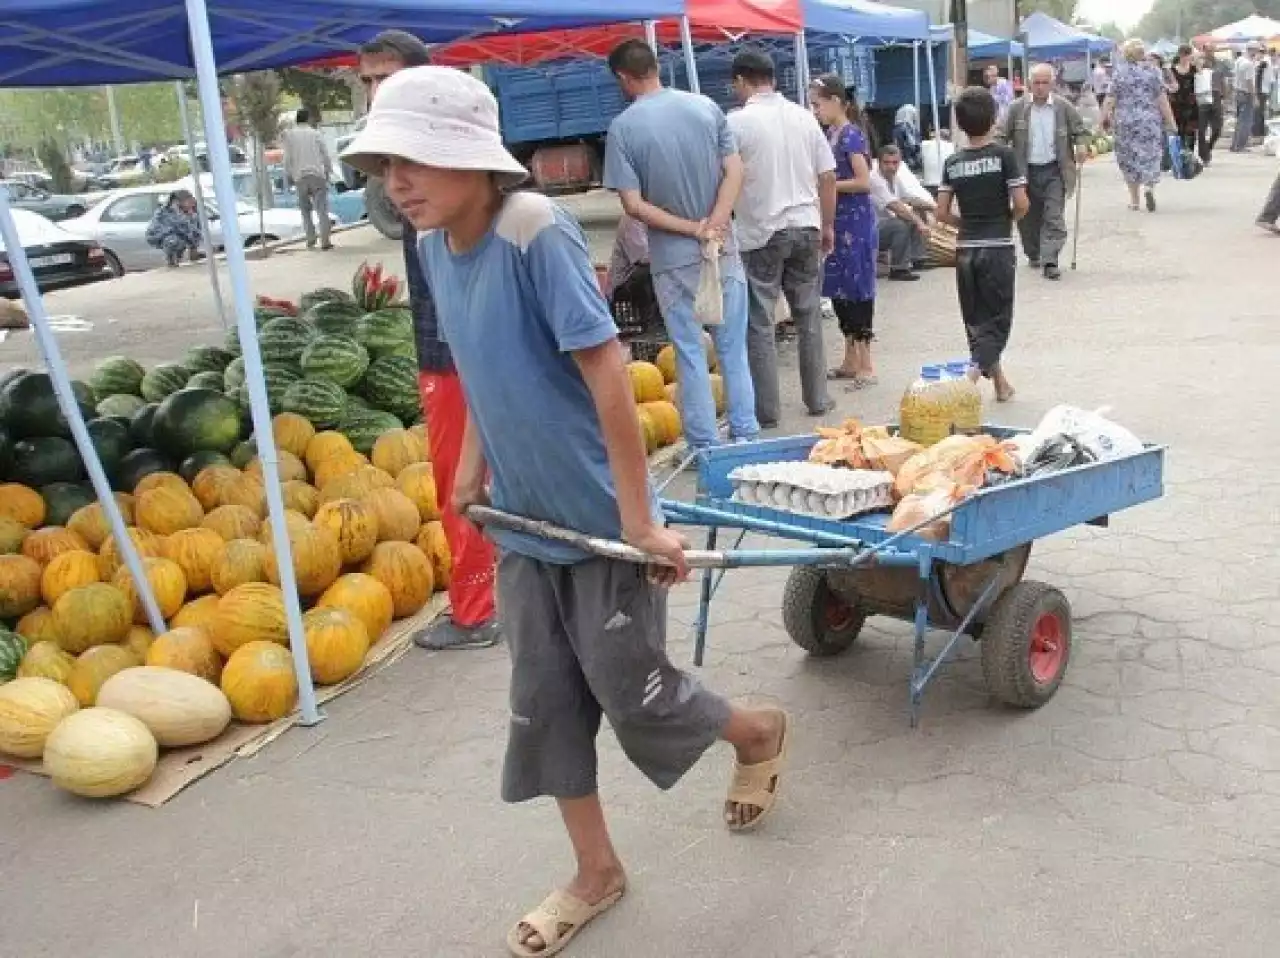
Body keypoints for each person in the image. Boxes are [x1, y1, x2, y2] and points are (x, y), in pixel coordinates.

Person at [341, 64, 790, 958]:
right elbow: (476, 366)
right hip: (523, 522)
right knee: (543, 701)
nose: (399, 180)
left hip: (595, 516)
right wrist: (469, 474)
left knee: (636, 692)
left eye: (419, 160)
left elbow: (609, 371)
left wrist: (638, 519)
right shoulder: (433, 249)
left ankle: (757, 729)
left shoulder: (532, 232)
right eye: (388, 162)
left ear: (477, 159)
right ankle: (596, 871)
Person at [356, 30, 499, 651]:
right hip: (455, 347)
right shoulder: (417, 169)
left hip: (455, 352)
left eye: (383, 78)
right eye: (364, 81)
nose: (371, 92)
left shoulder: (437, 171)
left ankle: (476, 609)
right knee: (478, 481)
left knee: (459, 484)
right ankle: (505, 594)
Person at [603, 39, 758, 448]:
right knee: (732, 349)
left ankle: (705, 445)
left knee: (689, 355)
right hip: (723, 249)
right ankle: (745, 433)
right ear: (655, 66)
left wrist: (692, 229)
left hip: (673, 261)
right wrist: (717, 220)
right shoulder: (706, 107)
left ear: (623, 76)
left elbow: (633, 205)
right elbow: (735, 169)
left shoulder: (623, 128)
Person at [726, 48, 837, 427]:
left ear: (742, 80)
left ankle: (767, 412)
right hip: (806, 225)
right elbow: (827, 176)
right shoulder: (805, 118)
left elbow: (725, 178)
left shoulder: (736, 124)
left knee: (760, 323)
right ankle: (818, 399)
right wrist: (828, 225)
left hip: (761, 233)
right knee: (808, 316)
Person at [935, 86, 1028, 404]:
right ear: (993, 118)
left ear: (960, 124)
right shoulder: (1004, 156)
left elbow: (942, 213)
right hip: (997, 248)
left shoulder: (952, 162)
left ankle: (1000, 384)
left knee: (977, 322)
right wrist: (1008, 219)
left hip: (966, 252)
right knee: (997, 323)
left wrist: (967, 225)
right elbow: (1022, 202)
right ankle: (967, 384)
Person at [809, 75, 879, 388]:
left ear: (836, 101)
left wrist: (829, 185)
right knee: (839, 291)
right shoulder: (830, 135)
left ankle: (866, 362)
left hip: (856, 222)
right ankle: (850, 358)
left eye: (818, 103)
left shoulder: (851, 135)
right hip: (836, 221)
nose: (815, 110)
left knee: (858, 289)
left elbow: (864, 181)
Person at [997, 63, 1088, 281]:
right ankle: (1034, 252)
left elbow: (1081, 131)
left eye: (1044, 83)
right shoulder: (1017, 108)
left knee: (1053, 216)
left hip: (1055, 170)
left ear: (1052, 84)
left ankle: (1050, 260)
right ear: (1029, 84)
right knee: (1027, 218)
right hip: (1024, 171)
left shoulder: (1063, 107)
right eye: (1036, 83)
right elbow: (1001, 134)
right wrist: (998, 154)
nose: (1040, 87)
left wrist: (1082, 145)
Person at [1103, 39, 1176, 213]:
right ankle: (1149, 187)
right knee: (1151, 154)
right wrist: (1171, 122)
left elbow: (1110, 98)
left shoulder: (1119, 73)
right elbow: (1162, 100)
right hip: (1149, 121)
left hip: (1125, 121)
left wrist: (1104, 118)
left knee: (1128, 159)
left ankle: (1134, 201)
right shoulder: (1153, 71)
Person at [870, 143, 934, 275]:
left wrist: (933, 207)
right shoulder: (874, 180)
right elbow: (897, 207)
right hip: (872, 229)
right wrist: (920, 223)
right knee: (901, 224)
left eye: (895, 163)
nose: (891, 167)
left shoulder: (895, 178)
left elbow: (909, 198)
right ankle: (898, 268)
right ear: (879, 162)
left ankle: (918, 258)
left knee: (916, 214)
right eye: (886, 163)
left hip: (885, 225)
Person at [281, 108, 334, 251]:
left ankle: (310, 239)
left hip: (300, 177)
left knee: (305, 211)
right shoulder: (315, 133)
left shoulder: (289, 135)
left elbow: (287, 158)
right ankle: (325, 241)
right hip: (317, 175)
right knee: (322, 209)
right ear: (308, 119)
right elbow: (325, 154)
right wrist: (328, 171)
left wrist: (289, 175)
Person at [145, 190, 201, 267]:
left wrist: (192, 216)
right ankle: (171, 260)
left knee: (193, 234)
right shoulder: (165, 212)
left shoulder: (192, 209)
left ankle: (191, 255)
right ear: (177, 202)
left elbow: (195, 229)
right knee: (173, 241)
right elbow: (178, 227)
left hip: (179, 233)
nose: (190, 203)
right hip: (162, 235)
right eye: (187, 201)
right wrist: (185, 217)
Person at [1196, 44, 1228, 165]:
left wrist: (1224, 96)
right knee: (1202, 129)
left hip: (1216, 96)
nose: (1210, 52)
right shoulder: (1199, 63)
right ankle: (1204, 156)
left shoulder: (1219, 64)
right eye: (1208, 50)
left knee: (1217, 129)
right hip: (1203, 97)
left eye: (1212, 50)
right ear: (1203, 51)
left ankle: (1208, 148)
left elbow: (1223, 80)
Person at [1168, 45, 1199, 154]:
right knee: (1178, 131)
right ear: (1180, 55)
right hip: (1176, 104)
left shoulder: (1195, 69)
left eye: (1188, 55)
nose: (1186, 57)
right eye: (1184, 55)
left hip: (1191, 104)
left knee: (1191, 132)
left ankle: (1189, 155)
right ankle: (1178, 155)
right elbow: (1168, 87)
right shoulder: (1172, 70)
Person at [1231, 45, 1257, 152]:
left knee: (1239, 120)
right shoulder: (1249, 64)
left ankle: (1235, 144)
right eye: (1256, 50)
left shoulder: (1239, 60)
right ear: (1252, 50)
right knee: (1245, 120)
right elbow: (1249, 81)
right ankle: (1240, 145)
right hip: (1246, 93)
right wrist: (1254, 96)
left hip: (1238, 92)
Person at [892, 104, 923, 172]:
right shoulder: (907, 126)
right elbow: (912, 144)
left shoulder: (896, 127)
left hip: (901, 158)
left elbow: (896, 144)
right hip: (910, 159)